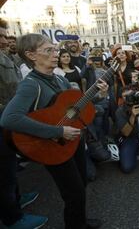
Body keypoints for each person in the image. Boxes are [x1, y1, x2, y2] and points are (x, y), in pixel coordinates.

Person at [1, 33, 107, 229]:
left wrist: (99, 94)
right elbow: (9, 118)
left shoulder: (59, 80)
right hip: (52, 145)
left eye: (55, 49)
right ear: (31, 55)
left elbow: (78, 105)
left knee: (81, 185)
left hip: (72, 140)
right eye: (48, 50)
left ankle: (80, 221)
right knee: (73, 192)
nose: (55, 54)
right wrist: (57, 132)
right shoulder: (30, 84)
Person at [0, 21, 47, 228]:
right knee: (3, 173)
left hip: (10, 120)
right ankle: (12, 219)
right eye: (0, 36)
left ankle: (16, 199)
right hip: (4, 118)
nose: (4, 40)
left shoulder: (5, 56)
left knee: (9, 166)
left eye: (4, 35)